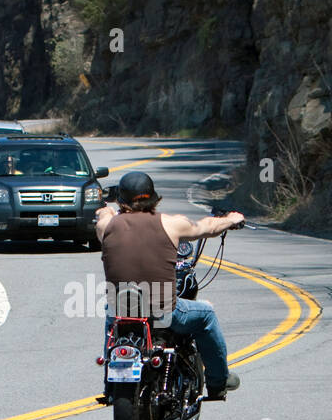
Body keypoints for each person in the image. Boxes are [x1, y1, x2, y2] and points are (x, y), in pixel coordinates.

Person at [95, 170, 245, 400]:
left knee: (112, 316)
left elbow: (104, 214)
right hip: (164, 311)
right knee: (206, 315)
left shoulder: (106, 226)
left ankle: (110, 384)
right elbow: (206, 227)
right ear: (154, 199)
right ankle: (218, 381)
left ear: (122, 201)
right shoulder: (172, 224)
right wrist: (231, 220)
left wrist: (107, 208)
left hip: (122, 310)